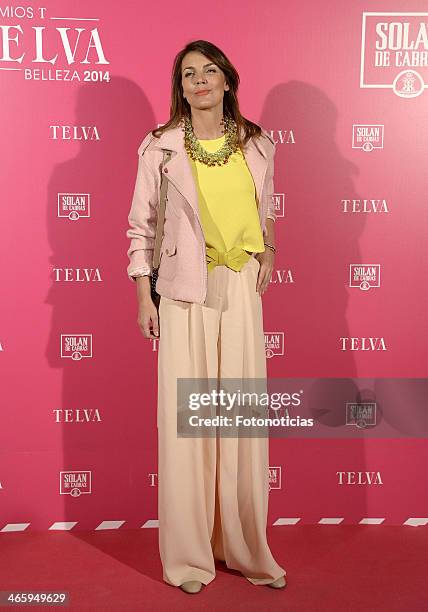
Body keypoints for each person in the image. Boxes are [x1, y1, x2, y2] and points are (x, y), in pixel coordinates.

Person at [126, 39, 286, 594]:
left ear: (227, 81)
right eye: (189, 73)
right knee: (189, 426)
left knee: (238, 420)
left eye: (209, 71)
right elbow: (141, 227)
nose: (199, 81)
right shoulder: (160, 146)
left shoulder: (257, 144)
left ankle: (243, 547)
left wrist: (267, 250)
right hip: (182, 293)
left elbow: (263, 209)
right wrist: (143, 297)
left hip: (239, 287)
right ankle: (191, 556)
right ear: (180, 85)